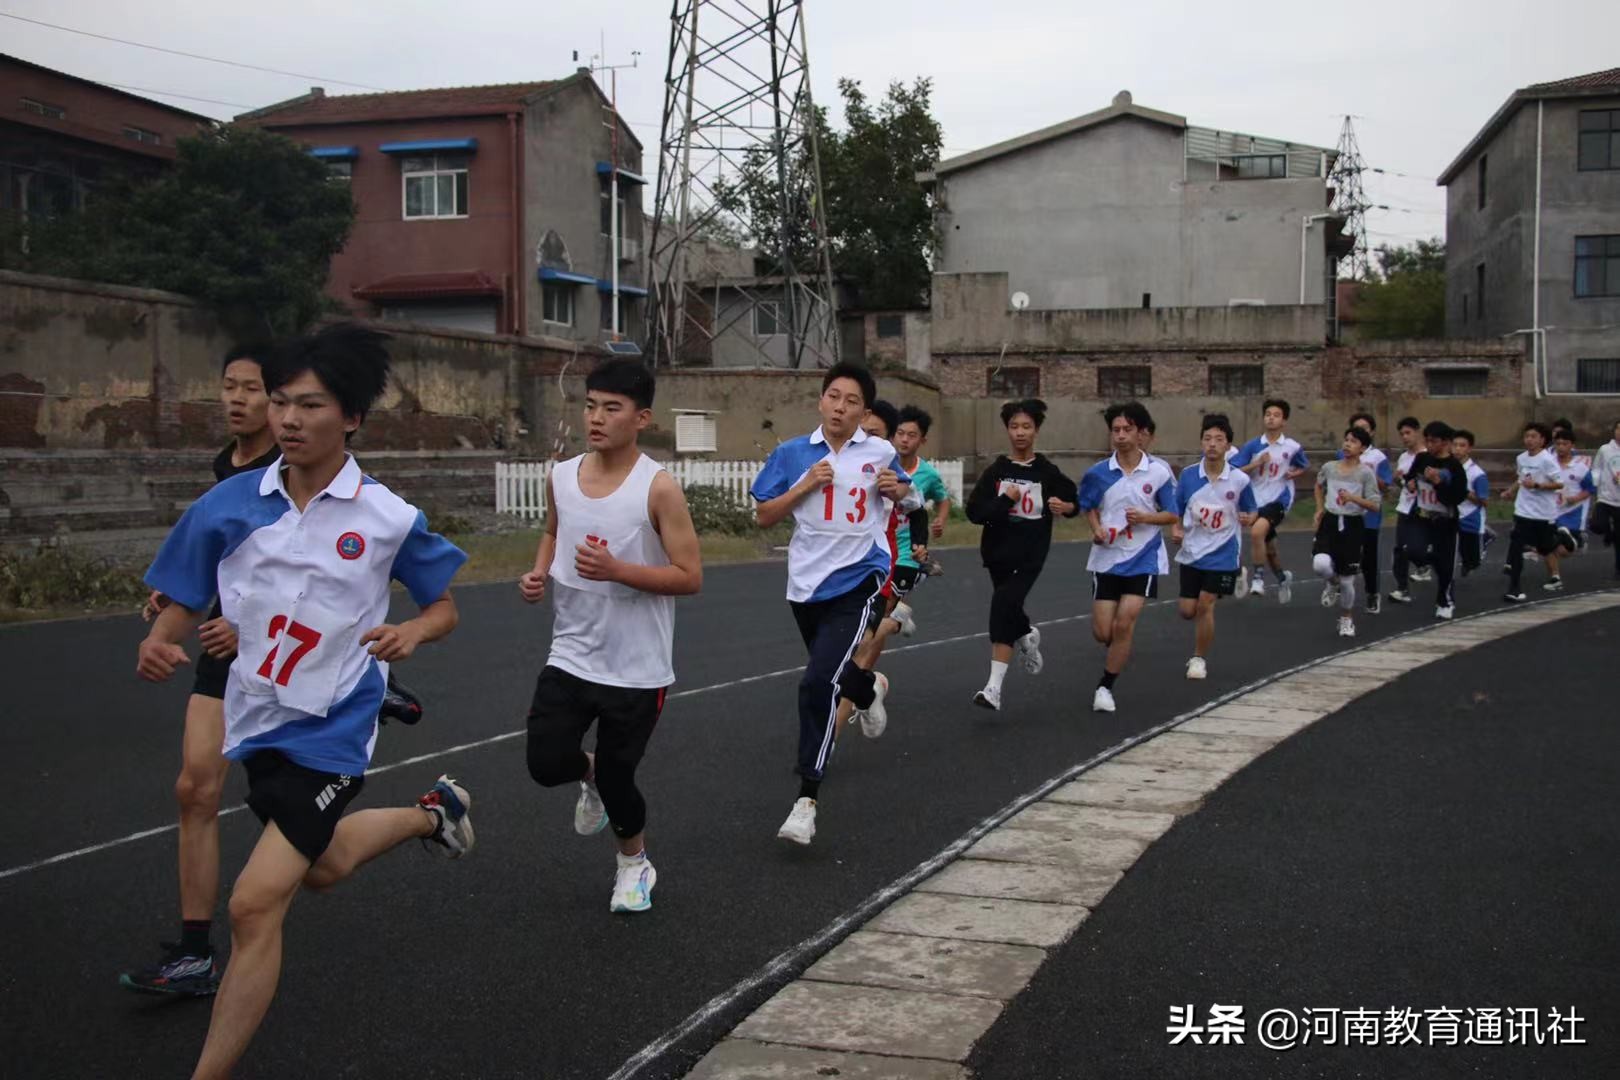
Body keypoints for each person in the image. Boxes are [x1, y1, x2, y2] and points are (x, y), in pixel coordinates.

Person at [136, 324, 473, 1080]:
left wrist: (413, 632)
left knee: (255, 905)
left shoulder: (386, 517)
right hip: (257, 722)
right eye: (280, 402)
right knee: (319, 869)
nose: (288, 419)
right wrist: (164, 636)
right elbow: (183, 596)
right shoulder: (229, 505)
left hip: (336, 727)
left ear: (350, 417)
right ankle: (433, 813)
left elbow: (444, 607)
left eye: (309, 405)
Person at [120, 345, 281, 997]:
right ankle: (194, 953)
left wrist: (255, 625)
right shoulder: (226, 468)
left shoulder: (302, 473)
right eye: (228, 387)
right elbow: (218, 557)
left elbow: (325, 577)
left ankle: (427, 813)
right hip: (223, 653)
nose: (236, 399)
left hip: (289, 661)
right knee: (196, 789)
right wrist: (166, 620)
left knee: (306, 837)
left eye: (252, 388)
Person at [518, 359, 701, 914]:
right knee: (546, 762)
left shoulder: (659, 488)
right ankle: (587, 772)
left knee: (623, 779)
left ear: (641, 417)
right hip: (572, 651)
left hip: (637, 666)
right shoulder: (561, 475)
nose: (596, 418)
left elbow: (689, 576)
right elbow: (553, 530)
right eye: (591, 405)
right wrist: (537, 571)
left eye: (611, 408)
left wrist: (618, 569)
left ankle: (633, 863)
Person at [750, 363, 909, 846]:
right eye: (833, 397)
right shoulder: (793, 453)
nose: (841, 407)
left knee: (817, 682)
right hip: (806, 585)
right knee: (837, 673)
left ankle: (807, 798)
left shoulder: (879, 450)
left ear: (864, 411)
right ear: (821, 401)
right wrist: (804, 486)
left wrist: (896, 490)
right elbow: (763, 516)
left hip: (861, 576)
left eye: (852, 401)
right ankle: (867, 690)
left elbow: (905, 491)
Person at [965, 399, 1078, 711]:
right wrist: (1004, 501)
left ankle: (993, 689)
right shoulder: (997, 471)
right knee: (1009, 606)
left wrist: (1065, 508)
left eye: (1026, 426)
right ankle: (1026, 634)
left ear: (1036, 430)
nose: (1020, 433)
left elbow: (1074, 500)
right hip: (998, 554)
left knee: (1003, 605)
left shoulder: (1046, 471)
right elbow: (975, 514)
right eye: (1014, 427)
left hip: (1030, 555)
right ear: (1007, 431)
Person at [1079, 401, 1178, 713]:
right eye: (1116, 430)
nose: (1120, 435)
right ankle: (1118, 650)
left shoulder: (1159, 472)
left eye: (1127, 430)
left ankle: (1105, 687)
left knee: (1125, 623)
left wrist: (1147, 518)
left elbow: (1173, 514)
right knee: (1103, 632)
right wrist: (1096, 528)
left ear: (1140, 433)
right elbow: (1088, 506)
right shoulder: (1098, 473)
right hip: (1107, 558)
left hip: (1144, 557)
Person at [1171, 414, 1256, 679]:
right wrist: (1175, 528)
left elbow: (1252, 511)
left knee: (1206, 604)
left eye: (1219, 439)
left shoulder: (1240, 480)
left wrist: (1247, 518)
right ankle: (1236, 575)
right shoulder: (1187, 476)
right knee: (1187, 610)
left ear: (1228, 445)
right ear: (1201, 443)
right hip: (1193, 550)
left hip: (1223, 551)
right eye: (1207, 439)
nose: (1212, 444)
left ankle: (1198, 659)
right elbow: (1176, 509)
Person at [1231, 398, 1308, 603]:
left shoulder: (1292, 447)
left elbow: (1303, 465)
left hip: (1279, 498)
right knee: (1270, 550)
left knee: (1257, 532)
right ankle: (1283, 578)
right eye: (1268, 415)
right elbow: (1234, 470)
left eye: (1276, 415)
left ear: (1284, 421)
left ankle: (1257, 579)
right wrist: (1255, 464)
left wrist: (1294, 473)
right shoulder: (1253, 446)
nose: (1271, 418)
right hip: (1256, 499)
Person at [887, 404, 953, 636]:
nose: (904, 440)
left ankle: (918, 574)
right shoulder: (881, 466)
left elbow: (943, 500)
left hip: (909, 548)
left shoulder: (928, 475)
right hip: (882, 545)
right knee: (881, 607)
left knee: (885, 608)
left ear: (922, 440)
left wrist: (940, 520)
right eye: (900, 433)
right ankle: (900, 616)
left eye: (911, 435)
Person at [1312, 428, 1383, 637]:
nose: (1347, 444)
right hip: (1330, 521)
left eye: (1353, 441)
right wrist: (1319, 508)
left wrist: (1354, 499)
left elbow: (1375, 505)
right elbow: (1318, 485)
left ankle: (1346, 618)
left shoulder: (1365, 473)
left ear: (1362, 448)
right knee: (1320, 564)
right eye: (1346, 440)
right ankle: (1331, 583)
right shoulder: (1329, 467)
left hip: (1353, 525)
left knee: (1347, 580)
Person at [1399, 421, 1469, 619]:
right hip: (1421, 517)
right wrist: (1410, 483)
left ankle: (1444, 600)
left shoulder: (1454, 466)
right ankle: (1430, 562)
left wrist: (1438, 484)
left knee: (1445, 565)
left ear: (1446, 442)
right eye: (1427, 440)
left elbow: (1456, 498)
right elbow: (1410, 478)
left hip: (1445, 521)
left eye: (1434, 441)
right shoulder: (1422, 458)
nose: (1430, 445)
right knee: (1412, 550)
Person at [1336, 411, 1393, 613]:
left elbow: (1385, 485)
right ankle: (1337, 585)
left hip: (1368, 514)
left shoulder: (1378, 458)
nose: (1359, 434)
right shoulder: (1342, 453)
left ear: (1372, 433)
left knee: (1368, 557)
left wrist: (1366, 471)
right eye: (1355, 429)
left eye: (1364, 429)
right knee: (1342, 552)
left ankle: (1372, 593)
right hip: (1346, 512)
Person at [1503, 421, 1567, 602]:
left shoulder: (1547, 459)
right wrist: (1511, 490)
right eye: (1526, 436)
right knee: (1516, 545)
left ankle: (1561, 537)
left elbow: (1559, 483)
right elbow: (1521, 478)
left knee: (1545, 547)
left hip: (1544, 513)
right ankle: (1514, 587)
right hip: (1523, 510)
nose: (1529, 440)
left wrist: (1538, 485)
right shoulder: (1521, 458)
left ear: (1542, 440)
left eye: (1533, 437)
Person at [1387, 417, 1426, 602]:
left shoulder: (1426, 456)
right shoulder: (1403, 457)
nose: (1405, 437)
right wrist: (1397, 479)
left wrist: (1414, 484)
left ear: (1418, 432)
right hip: (1404, 506)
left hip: (1422, 508)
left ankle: (1424, 564)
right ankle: (1402, 588)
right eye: (1402, 434)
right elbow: (1401, 483)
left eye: (1408, 433)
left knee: (1416, 548)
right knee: (1400, 549)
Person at [1453, 429, 1494, 575]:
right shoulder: (1449, 468)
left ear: (1469, 448)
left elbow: (1484, 501)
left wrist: (1464, 491)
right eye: (1455, 445)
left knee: (1473, 561)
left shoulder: (1477, 473)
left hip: (1471, 517)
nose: (1457, 449)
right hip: (1452, 514)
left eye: (1462, 445)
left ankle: (1486, 536)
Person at [1551, 428, 1595, 558]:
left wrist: (1575, 498)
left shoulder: (1581, 467)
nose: (1561, 447)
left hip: (1572, 512)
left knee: (1564, 552)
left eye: (1565, 444)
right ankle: (1554, 575)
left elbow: (1590, 489)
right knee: (1552, 547)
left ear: (1572, 446)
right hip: (1552, 511)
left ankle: (1578, 539)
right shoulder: (1549, 464)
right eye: (1558, 444)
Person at [1590, 419, 1620, 578]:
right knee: (1596, 524)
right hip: (1605, 497)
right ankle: (1609, 534)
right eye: (1618, 429)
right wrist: (1596, 485)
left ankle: (1618, 568)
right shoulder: (1605, 449)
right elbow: (1596, 468)